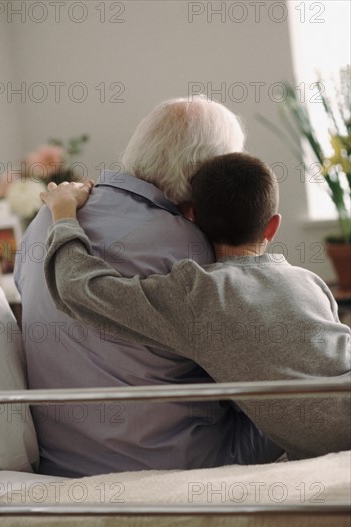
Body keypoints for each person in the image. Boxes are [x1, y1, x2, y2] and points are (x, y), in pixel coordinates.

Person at [15, 97, 280, 478]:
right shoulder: (190, 247)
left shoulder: (48, 217)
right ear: (209, 175)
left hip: (64, 466)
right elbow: (242, 360)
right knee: (289, 400)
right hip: (173, 464)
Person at [41, 152, 351, 460]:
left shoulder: (197, 295)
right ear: (272, 227)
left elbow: (80, 288)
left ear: (191, 217)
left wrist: (64, 212)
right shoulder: (311, 282)